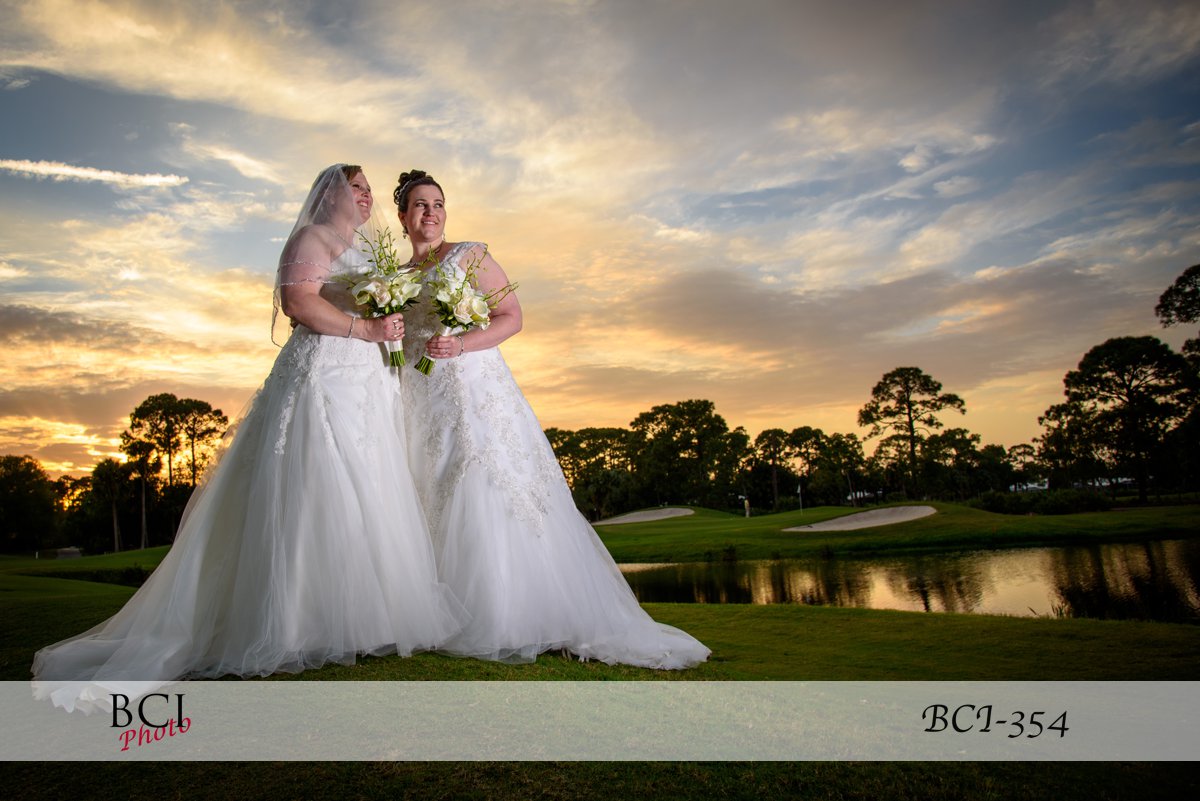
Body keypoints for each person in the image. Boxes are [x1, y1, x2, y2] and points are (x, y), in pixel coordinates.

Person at [33, 165, 465, 712]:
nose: (364, 196)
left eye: (367, 190)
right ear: (329, 194)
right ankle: (293, 619)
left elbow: (360, 301)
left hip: (364, 380)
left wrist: (388, 323)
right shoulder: (313, 238)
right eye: (354, 187)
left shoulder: (362, 251)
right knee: (318, 480)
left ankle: (358, 615)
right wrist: (368, 328)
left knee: (366, 485)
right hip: (324, 375)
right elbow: (299, 302)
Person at [393, 169, 709, 669]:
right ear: (402, 215)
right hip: (420, 395)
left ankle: (515, 614)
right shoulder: (397, 278)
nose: (429, 213)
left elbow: (511, 316)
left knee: (482, 482)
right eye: (419, 205)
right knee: (427, 486)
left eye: (437, 203)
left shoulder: (469, 255)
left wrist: (461, 344)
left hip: (472, 388)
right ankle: (434, 613)